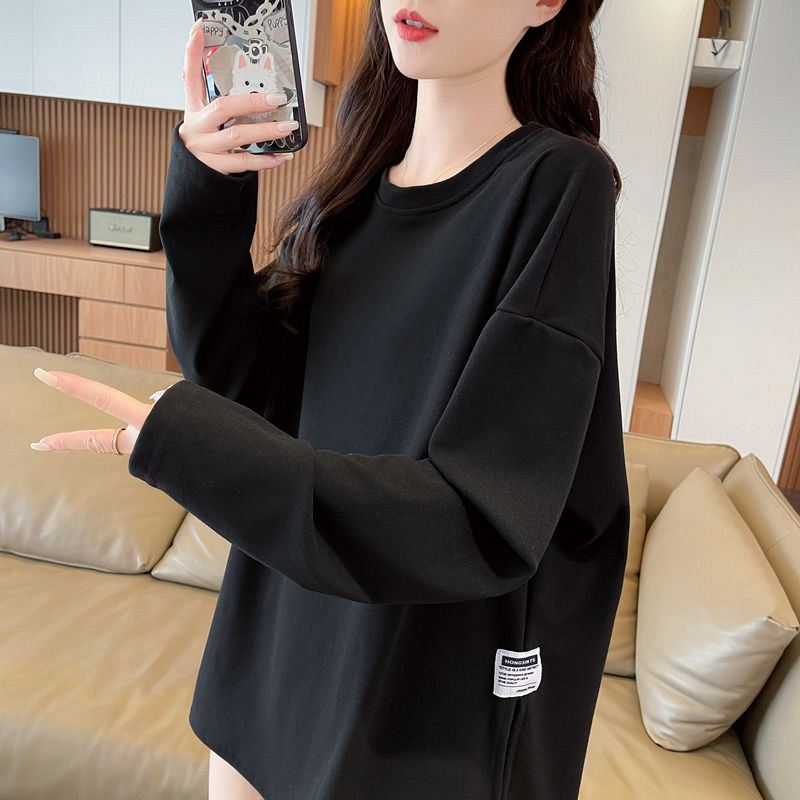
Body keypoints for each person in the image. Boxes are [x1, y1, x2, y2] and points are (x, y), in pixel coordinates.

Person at [29, 1, 630, 797]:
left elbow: (483, 513)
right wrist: (209, 190)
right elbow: (250, 390)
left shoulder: (558, 184)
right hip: (271, 650)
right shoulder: (356, 192)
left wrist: (194, 450)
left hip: (404, 695)